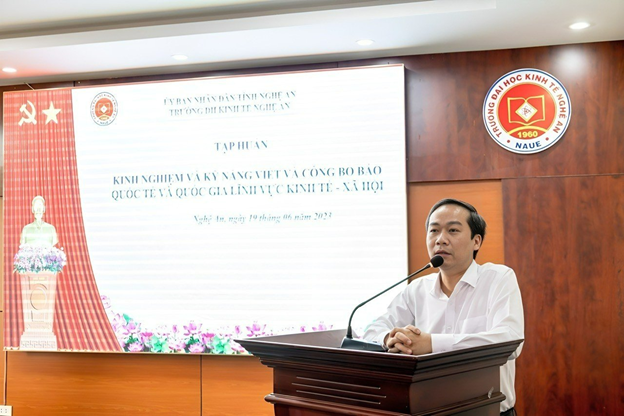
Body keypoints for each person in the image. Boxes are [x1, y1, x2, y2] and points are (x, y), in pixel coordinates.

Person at [363, 198, 524, 416]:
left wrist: (431, 344)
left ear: (476, 241)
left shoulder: (498, 278)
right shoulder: (417, 289)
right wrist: (390, 339)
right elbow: (372, 330)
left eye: (453, 230)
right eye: (434, 231)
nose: (441, 240)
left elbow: (510, 341)